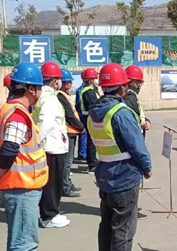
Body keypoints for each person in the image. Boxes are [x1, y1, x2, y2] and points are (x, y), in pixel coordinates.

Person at [0, 62, 48, 251]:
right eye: (39, 87)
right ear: (31, 89)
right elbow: (10, 148)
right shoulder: (18, 114)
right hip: (21, 187)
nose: (40, 92)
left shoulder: (9, 109)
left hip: (19, 185)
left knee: (20, 241)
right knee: (24, 244)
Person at [88, 63, 152, 251]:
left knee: (107, 227)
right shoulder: (120, 113)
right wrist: (147, 167)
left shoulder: (94, 113)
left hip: (104, 176)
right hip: (124, 176)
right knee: (123, 230)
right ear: (123, 87)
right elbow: (136, 145)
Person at [32, 61, 70, 228]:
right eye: (59, 79)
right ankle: (49, 215)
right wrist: (38, 143)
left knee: (51, 183)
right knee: (53, 184)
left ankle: (50, 213)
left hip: (50, 144)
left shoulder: (43, 96)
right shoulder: (50, 99)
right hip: (52, 146)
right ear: (54, 81)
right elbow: (45, 123)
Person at [124, 65, 151, 220]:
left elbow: (138, 114)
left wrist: (146, 120)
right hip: (133, 143)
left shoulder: (131, 96)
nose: (140, 86)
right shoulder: (129, 97)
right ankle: (130, 210)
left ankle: (130, 208)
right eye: (138, 82)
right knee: (133, 177)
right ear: (132, 82)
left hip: (134, 139)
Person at [57, 68, 85, 198]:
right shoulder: (60, 96)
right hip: (68, 131)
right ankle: (65, 187)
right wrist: (81, 127)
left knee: (68, 161)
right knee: (67, 162)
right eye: (68, 81)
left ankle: (67, 182)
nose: (71, 83)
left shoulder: (64, 95)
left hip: (72, 131)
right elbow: (69, 115)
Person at [76, 68, 100, 172]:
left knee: (92, 140)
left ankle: (93, 160)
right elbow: (95, 104)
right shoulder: (88, 91)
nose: (96, 80)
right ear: (90, 80)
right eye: (94, 78)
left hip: (89, 116)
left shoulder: (91, 90)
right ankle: (92, 163)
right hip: (89, 117)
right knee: (92, 141)